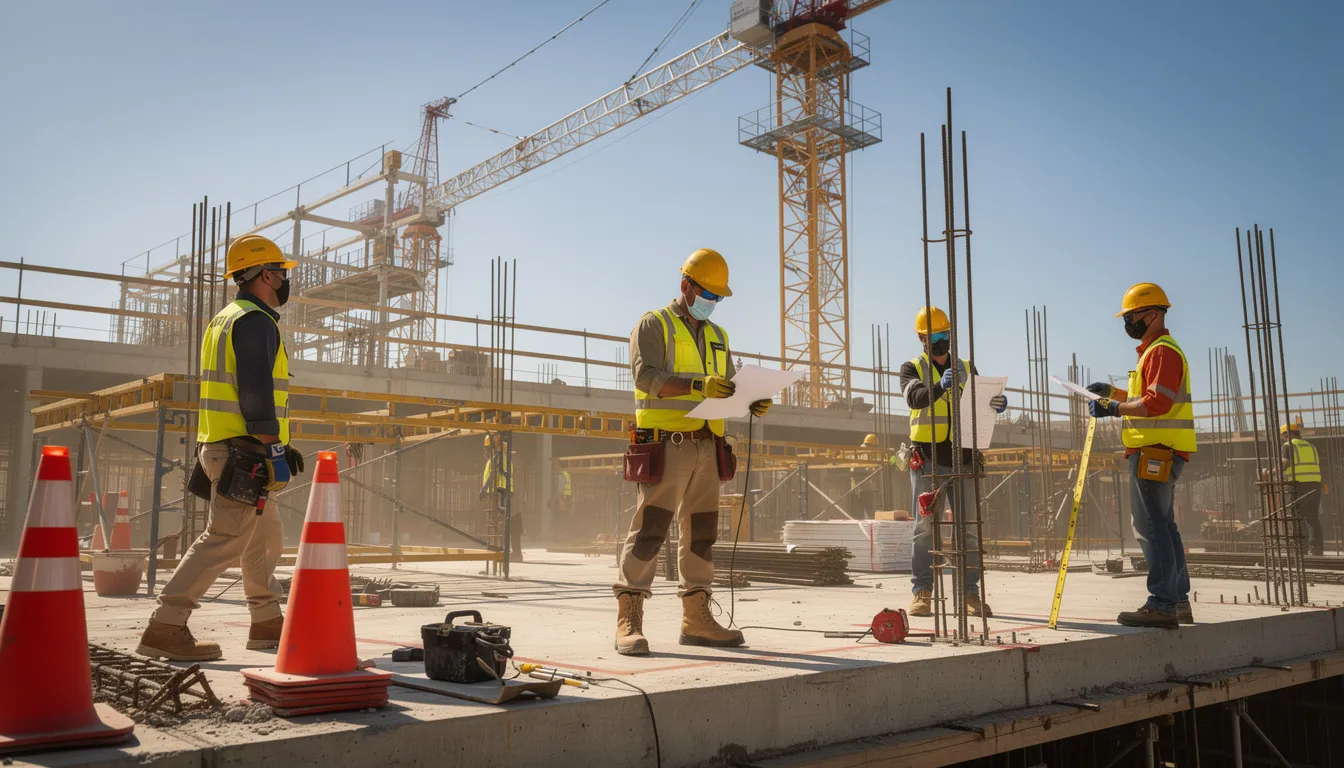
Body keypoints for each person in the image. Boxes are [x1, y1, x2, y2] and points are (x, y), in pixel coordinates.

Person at [137, 235, 302, 661]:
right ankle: (166, 625)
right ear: (265, 274)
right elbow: (254, 391)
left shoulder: (226, 319)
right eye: (281, 272)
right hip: (243, 451)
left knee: (264, 539)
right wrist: (273, 448)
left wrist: (280, 443)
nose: (284, 280)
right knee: (225, 539)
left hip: (226, 444)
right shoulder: (255, 322)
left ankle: (267, 622)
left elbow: (241, 389)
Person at [612, 248, 771, 656]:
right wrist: (698, 386)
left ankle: (696, 619)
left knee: (701, 535)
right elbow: (646, 377)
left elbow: (730, 384)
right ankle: (629, 616)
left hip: (707, 445)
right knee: (650, 529)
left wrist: (752, 399)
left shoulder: (719, 336)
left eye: (718, 298)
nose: (713, 304)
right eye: (708, 295)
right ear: (686, 286)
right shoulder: (654, 324)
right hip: (667, 445)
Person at [1087, 282, 1195, 629]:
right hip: (1160, 450)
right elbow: (1148, 394)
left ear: (1152, 314)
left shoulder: (1162, 351)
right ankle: (1177, 601)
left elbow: (1156, 403)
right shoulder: (1154, 352)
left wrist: (1115, 407)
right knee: (1164, 524)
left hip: (1155, 451)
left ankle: (1162, 604)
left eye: (1132, 316)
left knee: (1151, 526)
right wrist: (1113, 392)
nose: (1128, 322)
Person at [900, 306, 1007, 618]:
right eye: (934, 335)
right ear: (922, 337)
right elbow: (915, 399)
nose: (941, 339)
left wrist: (996, 403)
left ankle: (970, 594)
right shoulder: (912, 367)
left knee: (968, 531)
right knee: (925, 528)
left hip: (963, 459)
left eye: (945, 333)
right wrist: (940, 386)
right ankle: (922, 592)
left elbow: (979, 404)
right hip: (928, 461)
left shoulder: (965, 366)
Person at [1281, 421, 1324, 556]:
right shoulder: (1311, 446)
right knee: (1312, 518)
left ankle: (1301, 549)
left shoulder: (1288, 445)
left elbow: (1284, 463)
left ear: (1286, 434)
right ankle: (1316, 549)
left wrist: (1269, 472)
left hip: (1298, 485)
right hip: (1315, 485)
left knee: (1297, 518)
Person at [480, 434, 520, 561]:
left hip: (499, 493)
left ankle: (502, 552)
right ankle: (510, 552)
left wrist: (484, 489)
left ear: (495, 445)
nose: (486, 450)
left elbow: (493, 475)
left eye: (488, 447)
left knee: (501, 523)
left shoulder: (499, 458)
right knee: (506, 523)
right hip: (503, 492)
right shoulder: (503, 458)